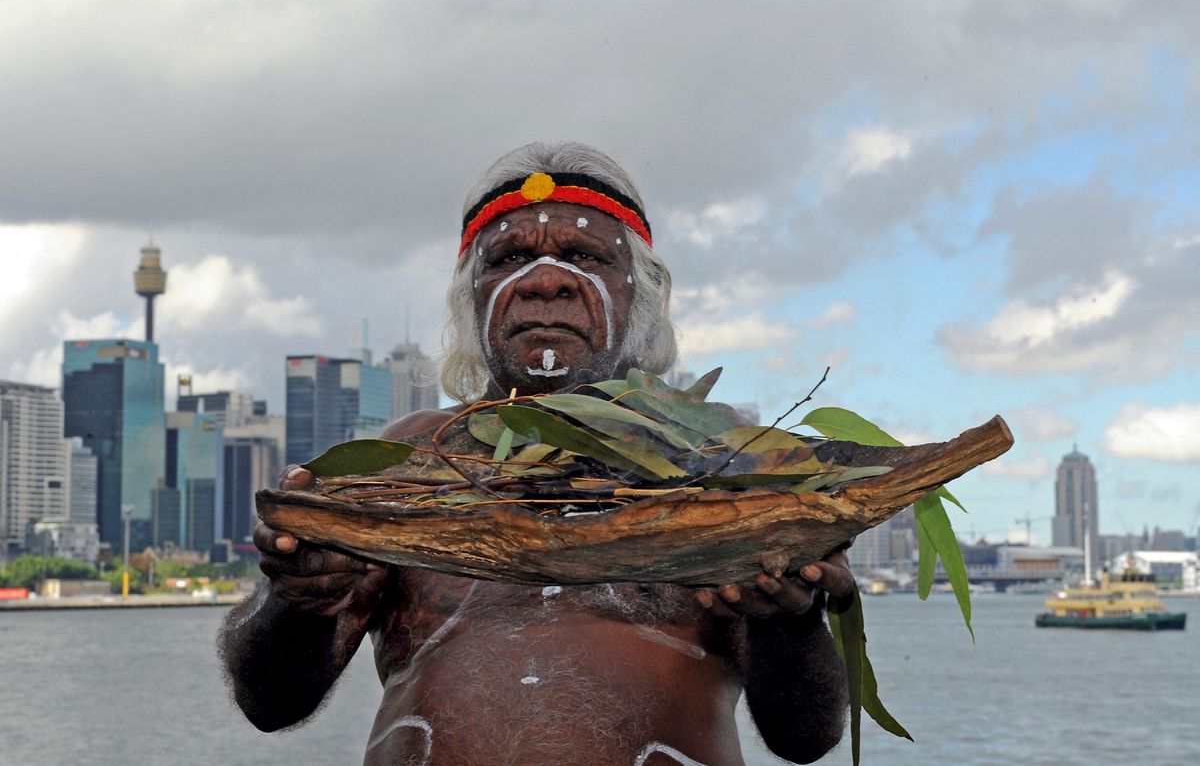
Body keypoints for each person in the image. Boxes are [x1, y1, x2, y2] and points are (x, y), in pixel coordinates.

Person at [220, 142, 852, 765]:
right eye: (511, 257)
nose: (545, 280)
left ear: (640, 295)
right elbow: (270, 703)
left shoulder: (723, 459)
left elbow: (806, 736)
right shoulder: (406, 462)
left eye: (583, 255)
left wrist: (788, 620)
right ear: (472, 297)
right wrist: (298, 600)